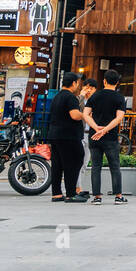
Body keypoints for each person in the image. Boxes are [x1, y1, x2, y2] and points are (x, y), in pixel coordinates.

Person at [84, 70, 127, 205]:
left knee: (96, 166)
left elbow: (85, 114)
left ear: (104, 81)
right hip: (111, 137)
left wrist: (96, 128)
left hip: (94, 136)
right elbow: (119, 118)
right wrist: (106, 130)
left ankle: (97, 197)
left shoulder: (95, 96)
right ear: (118, 82)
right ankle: (118, 196)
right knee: (115, 166)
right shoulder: (119, 98)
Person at [48, 72, 87, 202]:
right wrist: (86, 115)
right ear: (74, 83)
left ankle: (57, 193)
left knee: (57, 165)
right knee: (74, 162)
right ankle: (71, 193)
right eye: (77, 83)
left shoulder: (57, 96)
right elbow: (75, 115)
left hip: (55, 134)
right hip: (68, 136)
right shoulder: (70, 97)